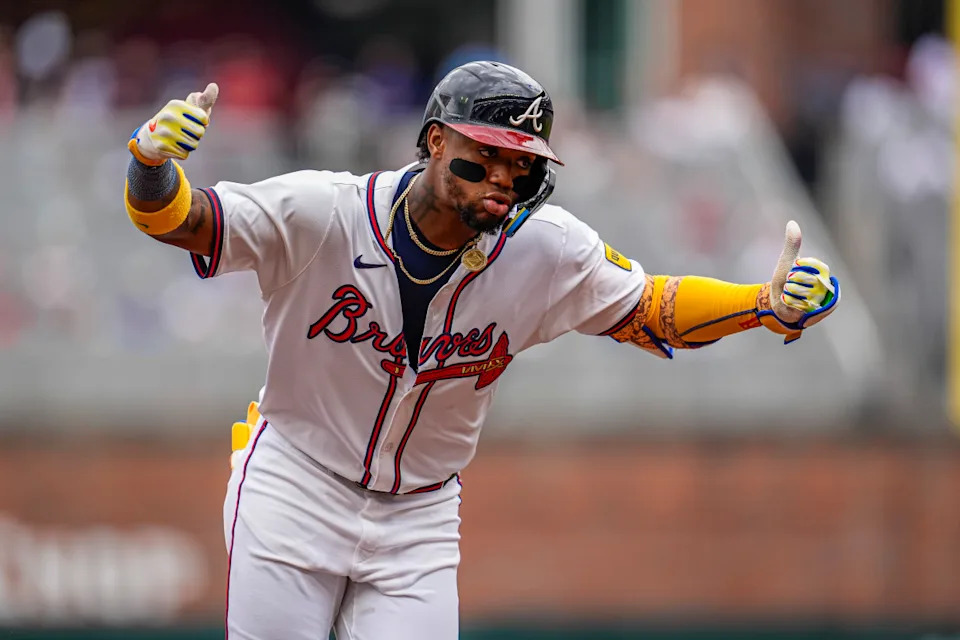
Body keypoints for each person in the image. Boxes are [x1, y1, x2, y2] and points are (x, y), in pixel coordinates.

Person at [123, 61, 839, 639]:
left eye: (522, 167)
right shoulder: (324, 213)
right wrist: (151, 163)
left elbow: (650, 306)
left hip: (419, 517)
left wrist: (762, 305)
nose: (503, 178)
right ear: (436, 141)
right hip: (297, 484)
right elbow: (185, 220)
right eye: (486, 156)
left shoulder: (546, 250)